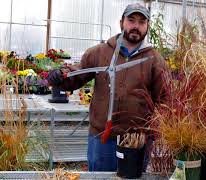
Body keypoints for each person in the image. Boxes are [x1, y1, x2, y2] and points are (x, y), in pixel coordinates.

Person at [47, 3, 169, 171]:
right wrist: (60, 76)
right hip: (102, 137)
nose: (136, 26)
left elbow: (165, 99)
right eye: (131, 20)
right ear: (121, 23)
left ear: (147, 26)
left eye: (141, 22)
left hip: (136, 141)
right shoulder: (100, 52)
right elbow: (77, 75)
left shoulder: (155, 60)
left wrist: (156, 131)